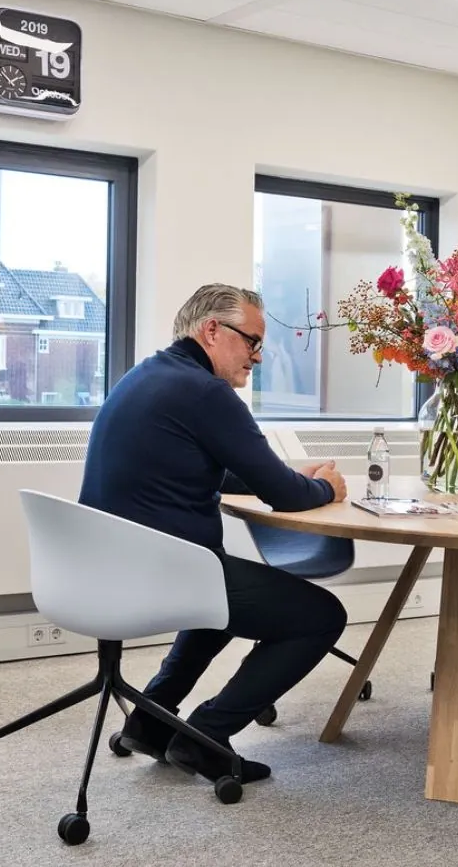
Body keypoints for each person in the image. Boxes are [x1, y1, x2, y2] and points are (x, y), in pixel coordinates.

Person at [79, 283, 349, 785]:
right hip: (162, 571)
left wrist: (292, 478)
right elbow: (284, 495)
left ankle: (152, 719)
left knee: (222, 593)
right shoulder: (206, 393)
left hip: (107, 565)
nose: (258, 357)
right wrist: (321, 487)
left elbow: (217, 471)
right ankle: (207, 737)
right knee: (321, 615)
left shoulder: (152, 375)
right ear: (212, 330)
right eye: (252, 342)